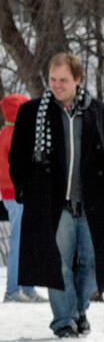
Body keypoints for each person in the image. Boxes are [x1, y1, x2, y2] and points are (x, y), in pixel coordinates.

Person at [8, 52, 104, 336]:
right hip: (52, 205)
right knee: (57, 265)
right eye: (52, 79)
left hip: (93, 203)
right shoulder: (33, 113)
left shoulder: (100, 114)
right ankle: (63, 320)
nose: (56, 85)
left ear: (77, 79)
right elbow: (18, 157)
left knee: (91, 263)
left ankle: (79, 311)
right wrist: (24, 189)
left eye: (63, 80)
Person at [1, 91, 40, 302]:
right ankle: (14, 290)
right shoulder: (18, 135)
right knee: (20, 241)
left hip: (13, 194)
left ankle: (26, 288)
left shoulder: (5, 133)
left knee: (25, 240)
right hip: (19, 194)